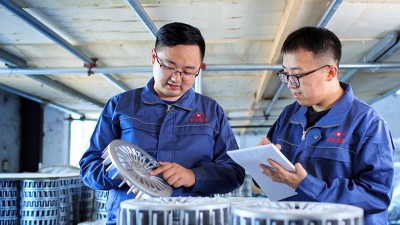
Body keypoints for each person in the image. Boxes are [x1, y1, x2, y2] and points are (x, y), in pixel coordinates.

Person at [79, 22, 245, 224]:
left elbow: (234, 173)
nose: (176, 78)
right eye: (169, 66)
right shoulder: (120, 106)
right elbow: (89, 168)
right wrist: (123, 172)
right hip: (129, 219)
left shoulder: (211, 112)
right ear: (153, 57)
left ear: (198, 69)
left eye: (188, 70)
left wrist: (194, 176)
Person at [259, 26, 395, 224]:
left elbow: (377, 196)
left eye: (297, 75)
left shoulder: (368, 124)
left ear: (330, 72)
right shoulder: (289, 115)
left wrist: (307, 185)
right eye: (286, 74)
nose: (290, 84)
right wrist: (261, 164)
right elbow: (272, 181)